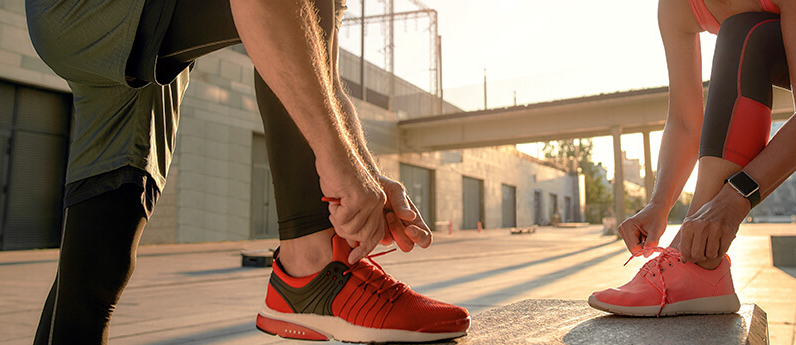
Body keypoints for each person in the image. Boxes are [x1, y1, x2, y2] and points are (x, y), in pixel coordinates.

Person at [25, 0, 470, 343]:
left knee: (93, 278)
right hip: (93, 9)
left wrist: (363, 171)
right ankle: (309, 265)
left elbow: (312, 71)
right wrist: (340, 163)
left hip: (121, 43)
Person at [588, 0, 796, 317]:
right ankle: (696, 260)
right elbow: (685, 123)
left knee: (747, 33)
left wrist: (734, 199)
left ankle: (695, 262)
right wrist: (658, 206)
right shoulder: (676, 7)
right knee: (746, 33)